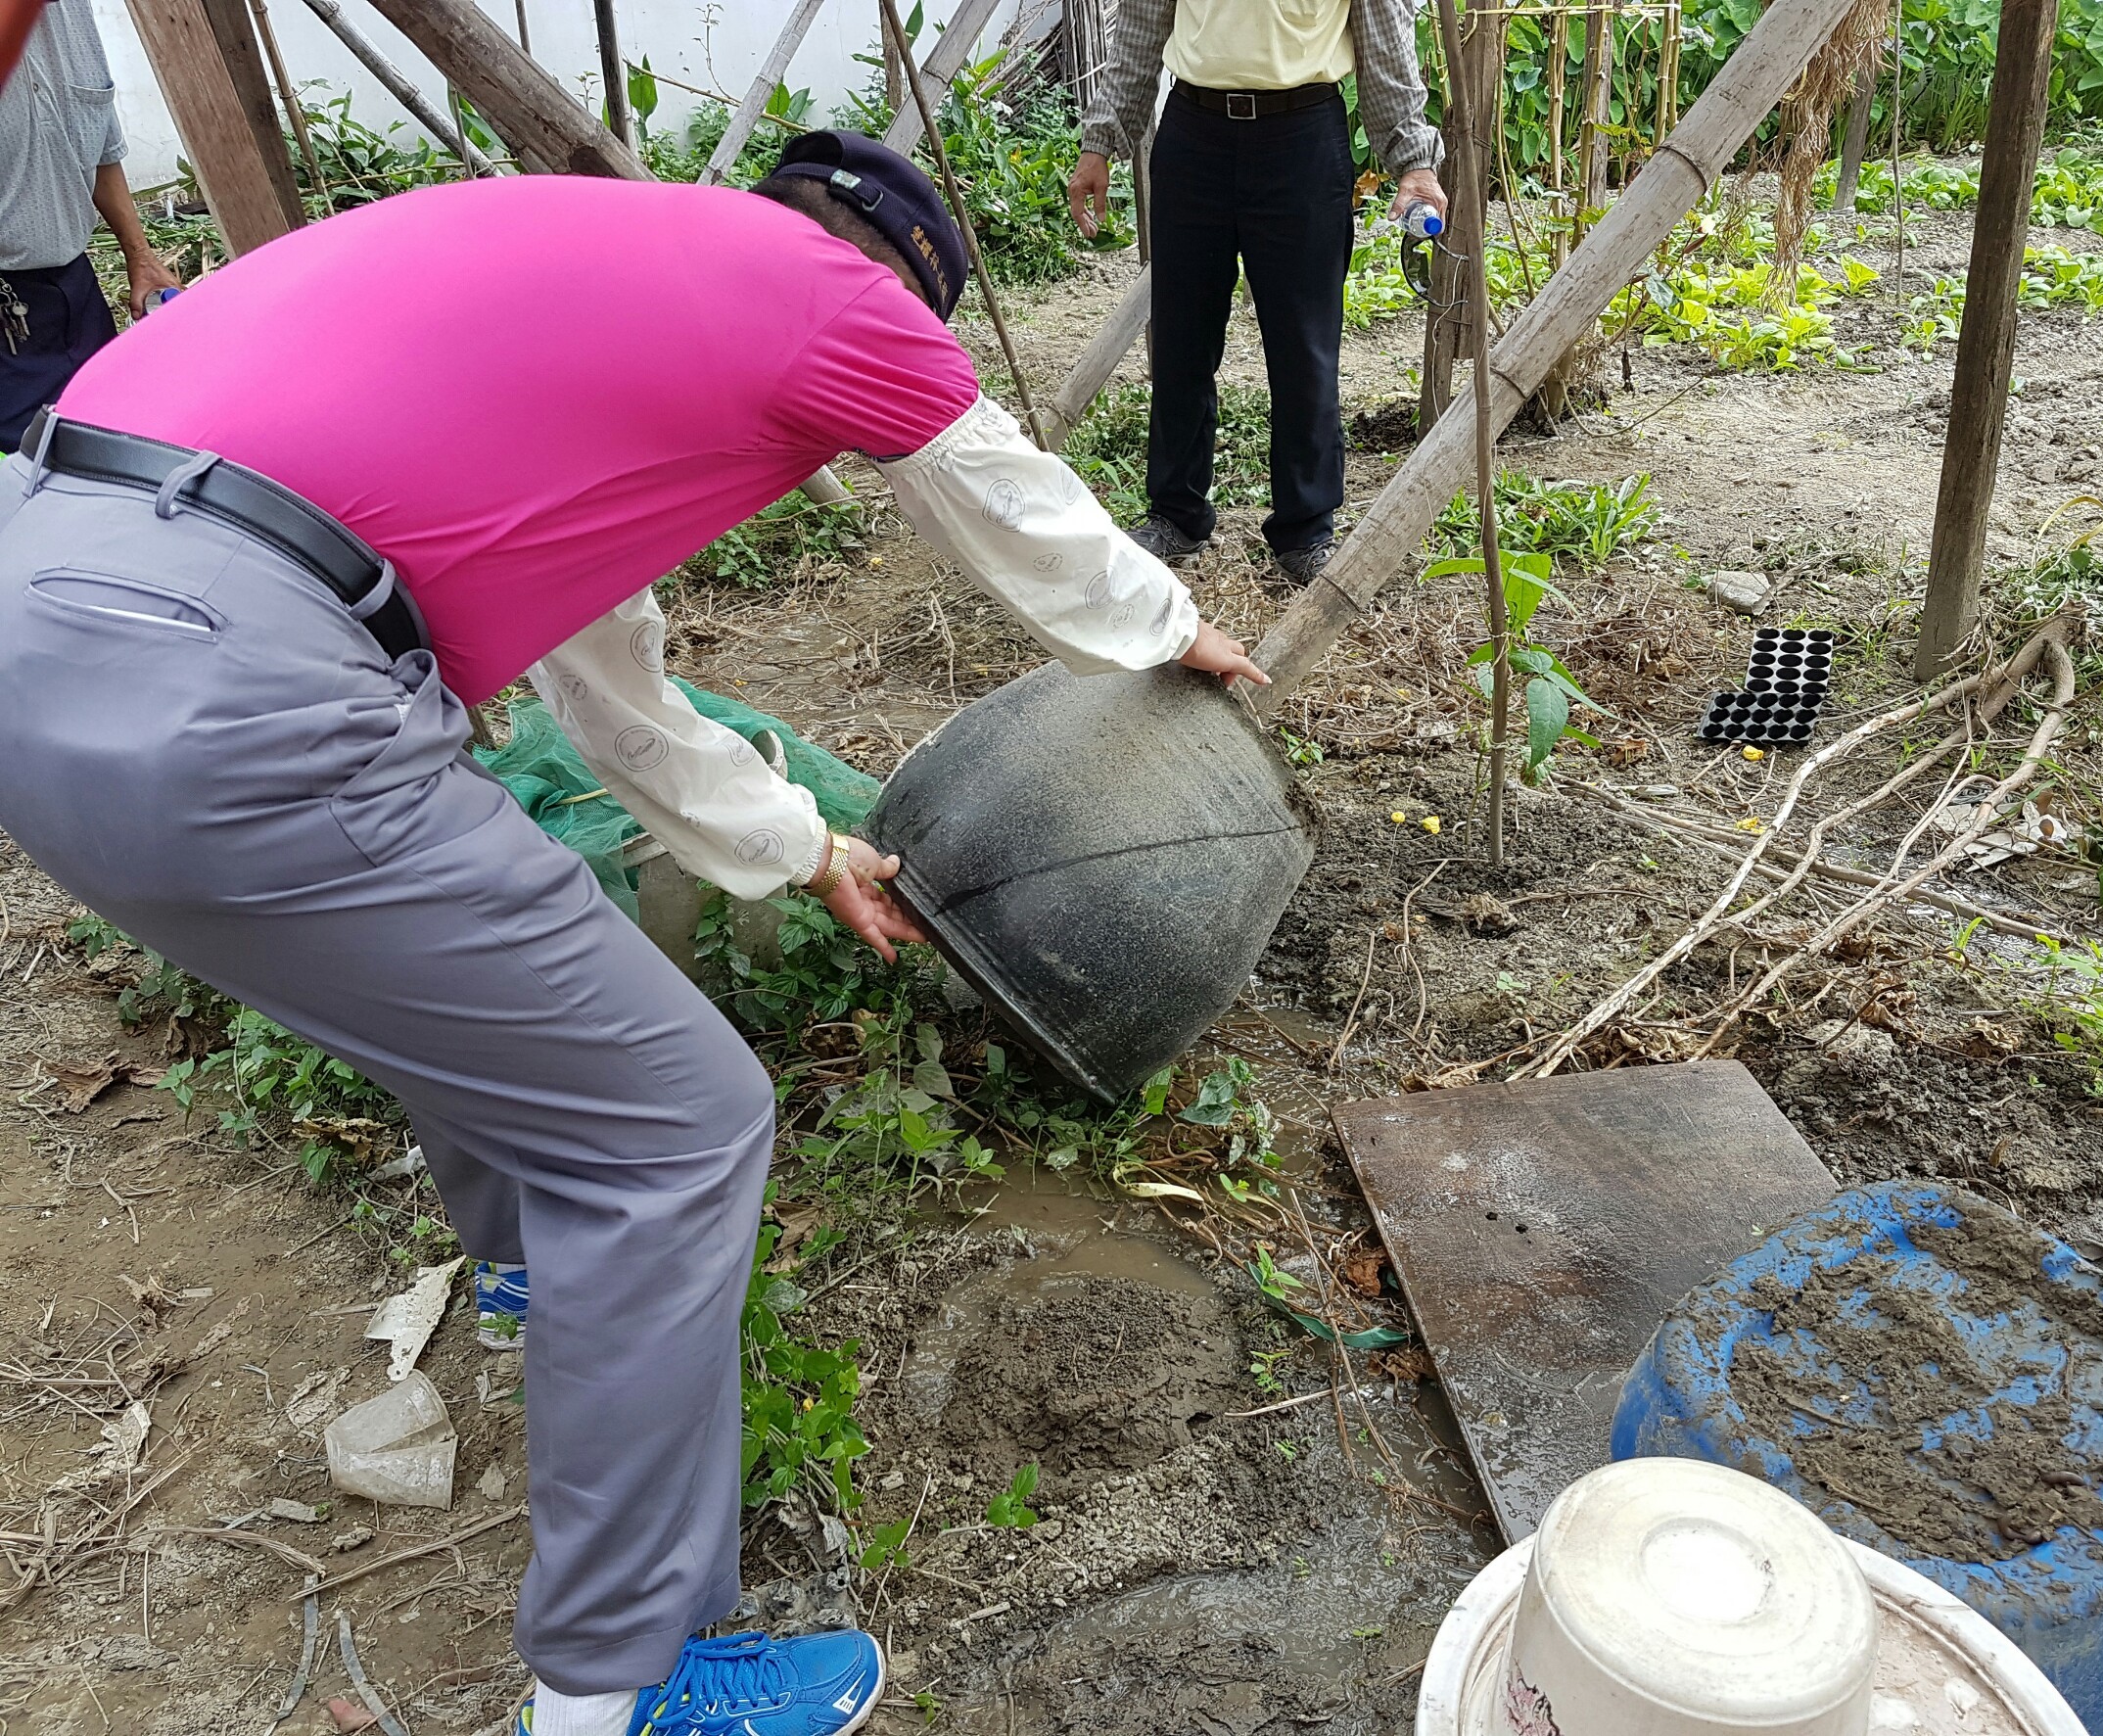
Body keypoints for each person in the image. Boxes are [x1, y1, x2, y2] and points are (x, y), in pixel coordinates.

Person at [0, 131, 1266, 1736]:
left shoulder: (566, 306)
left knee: (458, 951)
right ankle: (622, 1681)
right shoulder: (821, 287)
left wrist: (800, 846)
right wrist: (1170, 629)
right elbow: (992, 476)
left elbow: (608, 694)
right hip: (244, 682)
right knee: (675, 1129)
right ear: (883, 281)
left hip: (42, 615)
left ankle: (533, 1275)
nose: (827, 456)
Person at [1069, 0, 1445, 585]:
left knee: (1305, 347)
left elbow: (1387, 44)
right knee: (1180, 341)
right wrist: (1100, 142)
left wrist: (1414, 163)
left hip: (1302, 141)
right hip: (1193, 134)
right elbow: (1142, 30)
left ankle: (1305, 527)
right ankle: (1175, 514)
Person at [0, 0, 177, 451]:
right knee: (31, 465)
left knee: (110, 428)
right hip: (6, 304)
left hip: (74, 286)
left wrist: (140, 257)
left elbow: (98, 128)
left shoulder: (68, 13)